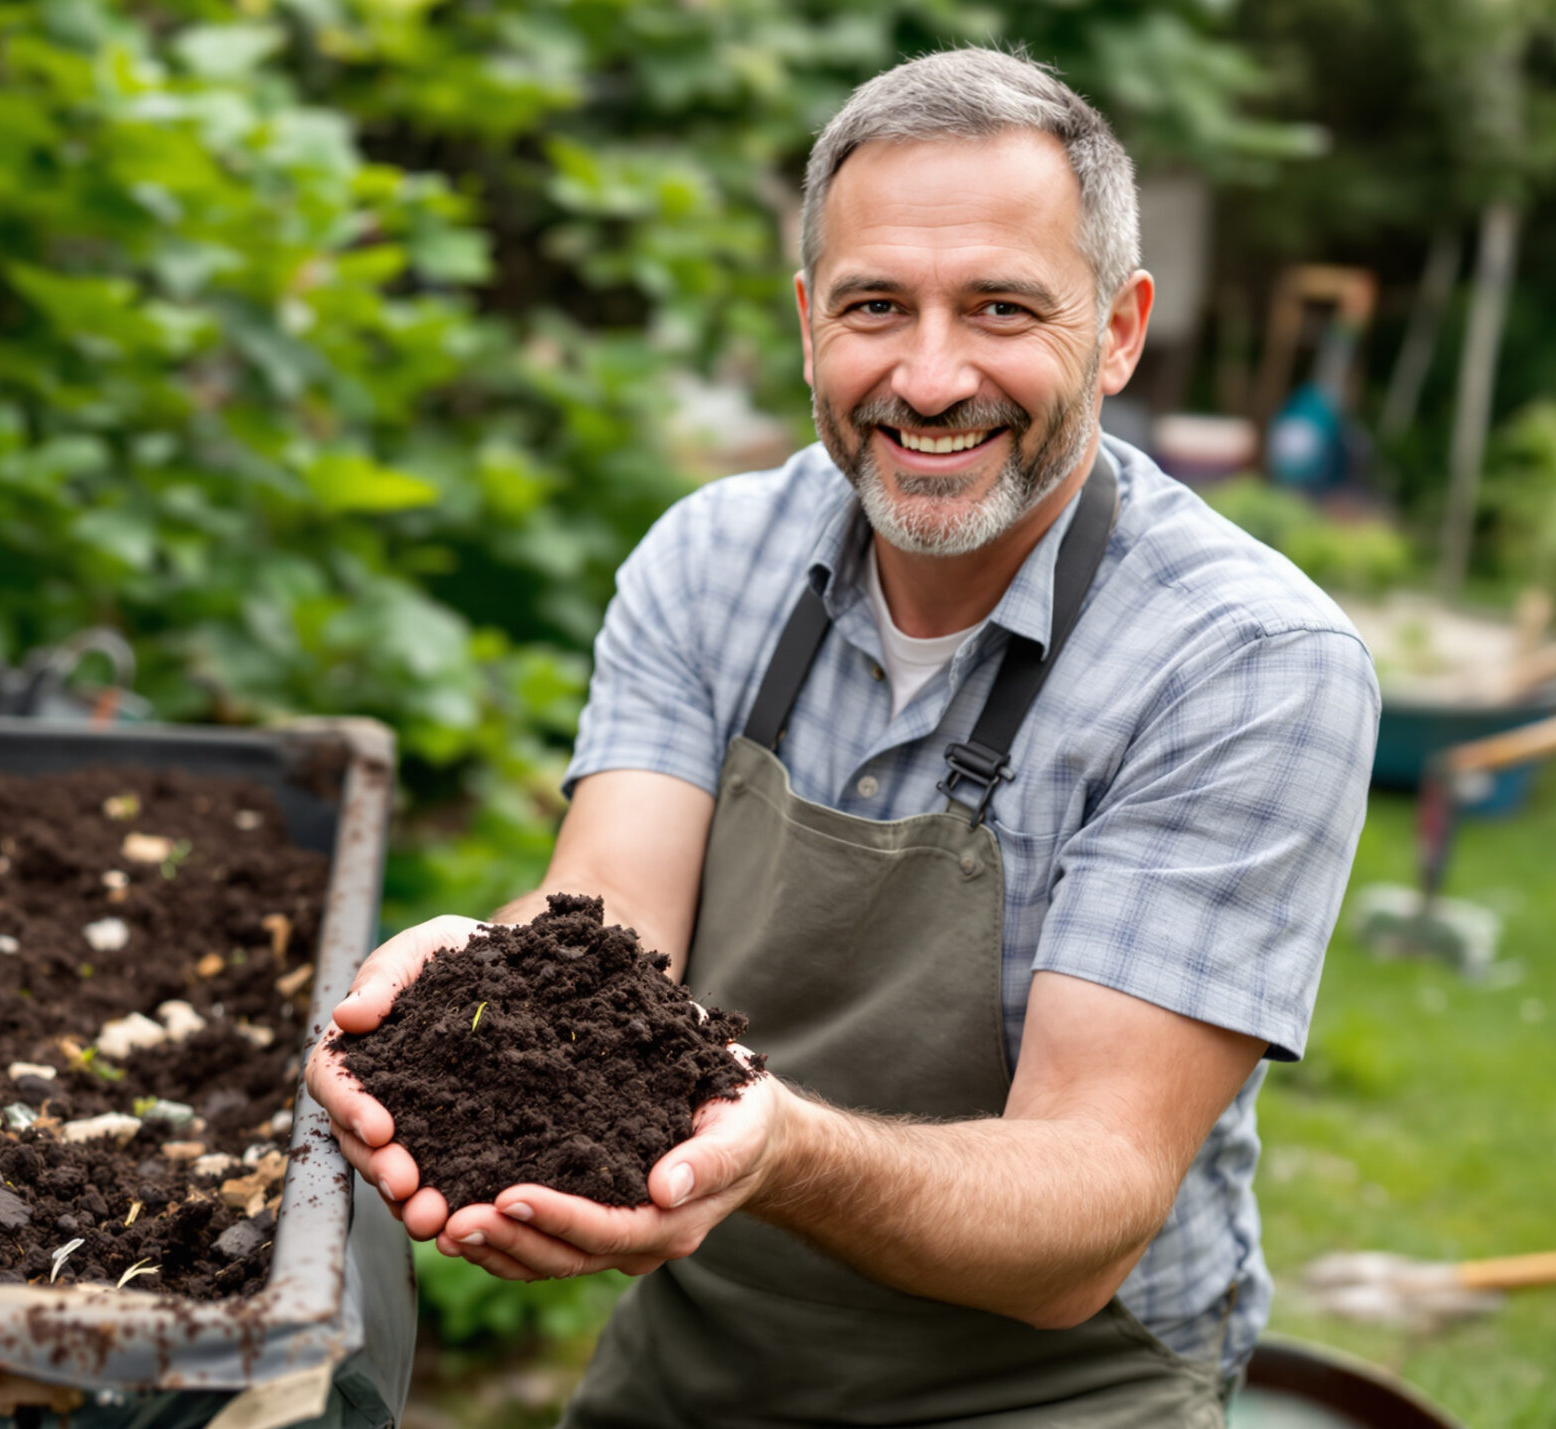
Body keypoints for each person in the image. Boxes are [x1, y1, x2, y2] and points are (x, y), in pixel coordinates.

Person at [305, 46, 1381, 1427]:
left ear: (1117, 329)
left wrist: (786, 1149)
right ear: (813, 320)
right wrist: (478, 988)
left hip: (1051, 1383)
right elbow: (605, 926)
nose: (930, 379)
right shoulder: (711, 560)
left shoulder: (1242, 664)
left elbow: (1087, 1209)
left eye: (1001, 308)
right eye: (878, 306)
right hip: (711, 1331)